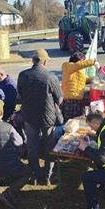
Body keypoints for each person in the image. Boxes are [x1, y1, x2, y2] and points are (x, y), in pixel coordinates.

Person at [17, 49, 63, 185]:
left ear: (33, 61)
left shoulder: (22, 75)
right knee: (49, 148)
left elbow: (19, 95)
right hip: (47, 118)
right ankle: (48, 176)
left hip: (29, 117)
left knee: (31, 147)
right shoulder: (50, 77)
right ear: (45, 61)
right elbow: (59, 99)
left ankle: (35, 176)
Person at [61, 51, 98, 121]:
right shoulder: (67, 66)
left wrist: (94, 79)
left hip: (78, 99)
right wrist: (93, 61)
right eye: (82, 61)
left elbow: (82, 81)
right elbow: (79, 65)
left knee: (77, 121)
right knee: (69, 121)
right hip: (70, 100)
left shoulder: (77, 70)